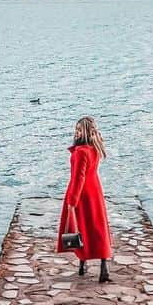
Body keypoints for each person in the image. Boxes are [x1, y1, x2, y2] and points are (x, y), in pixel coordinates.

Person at [57, 116, 113, 282]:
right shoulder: (94, 148)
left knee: (80, 227)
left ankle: (82, 263)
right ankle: (103, 267)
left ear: (86, 132)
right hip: (95, 190)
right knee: (98, 227)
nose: (76, 133)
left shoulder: (81, 152)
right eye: (76, 130)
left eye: (79, 130)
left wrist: (72, 201)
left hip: (82, 193)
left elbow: (78, 178)